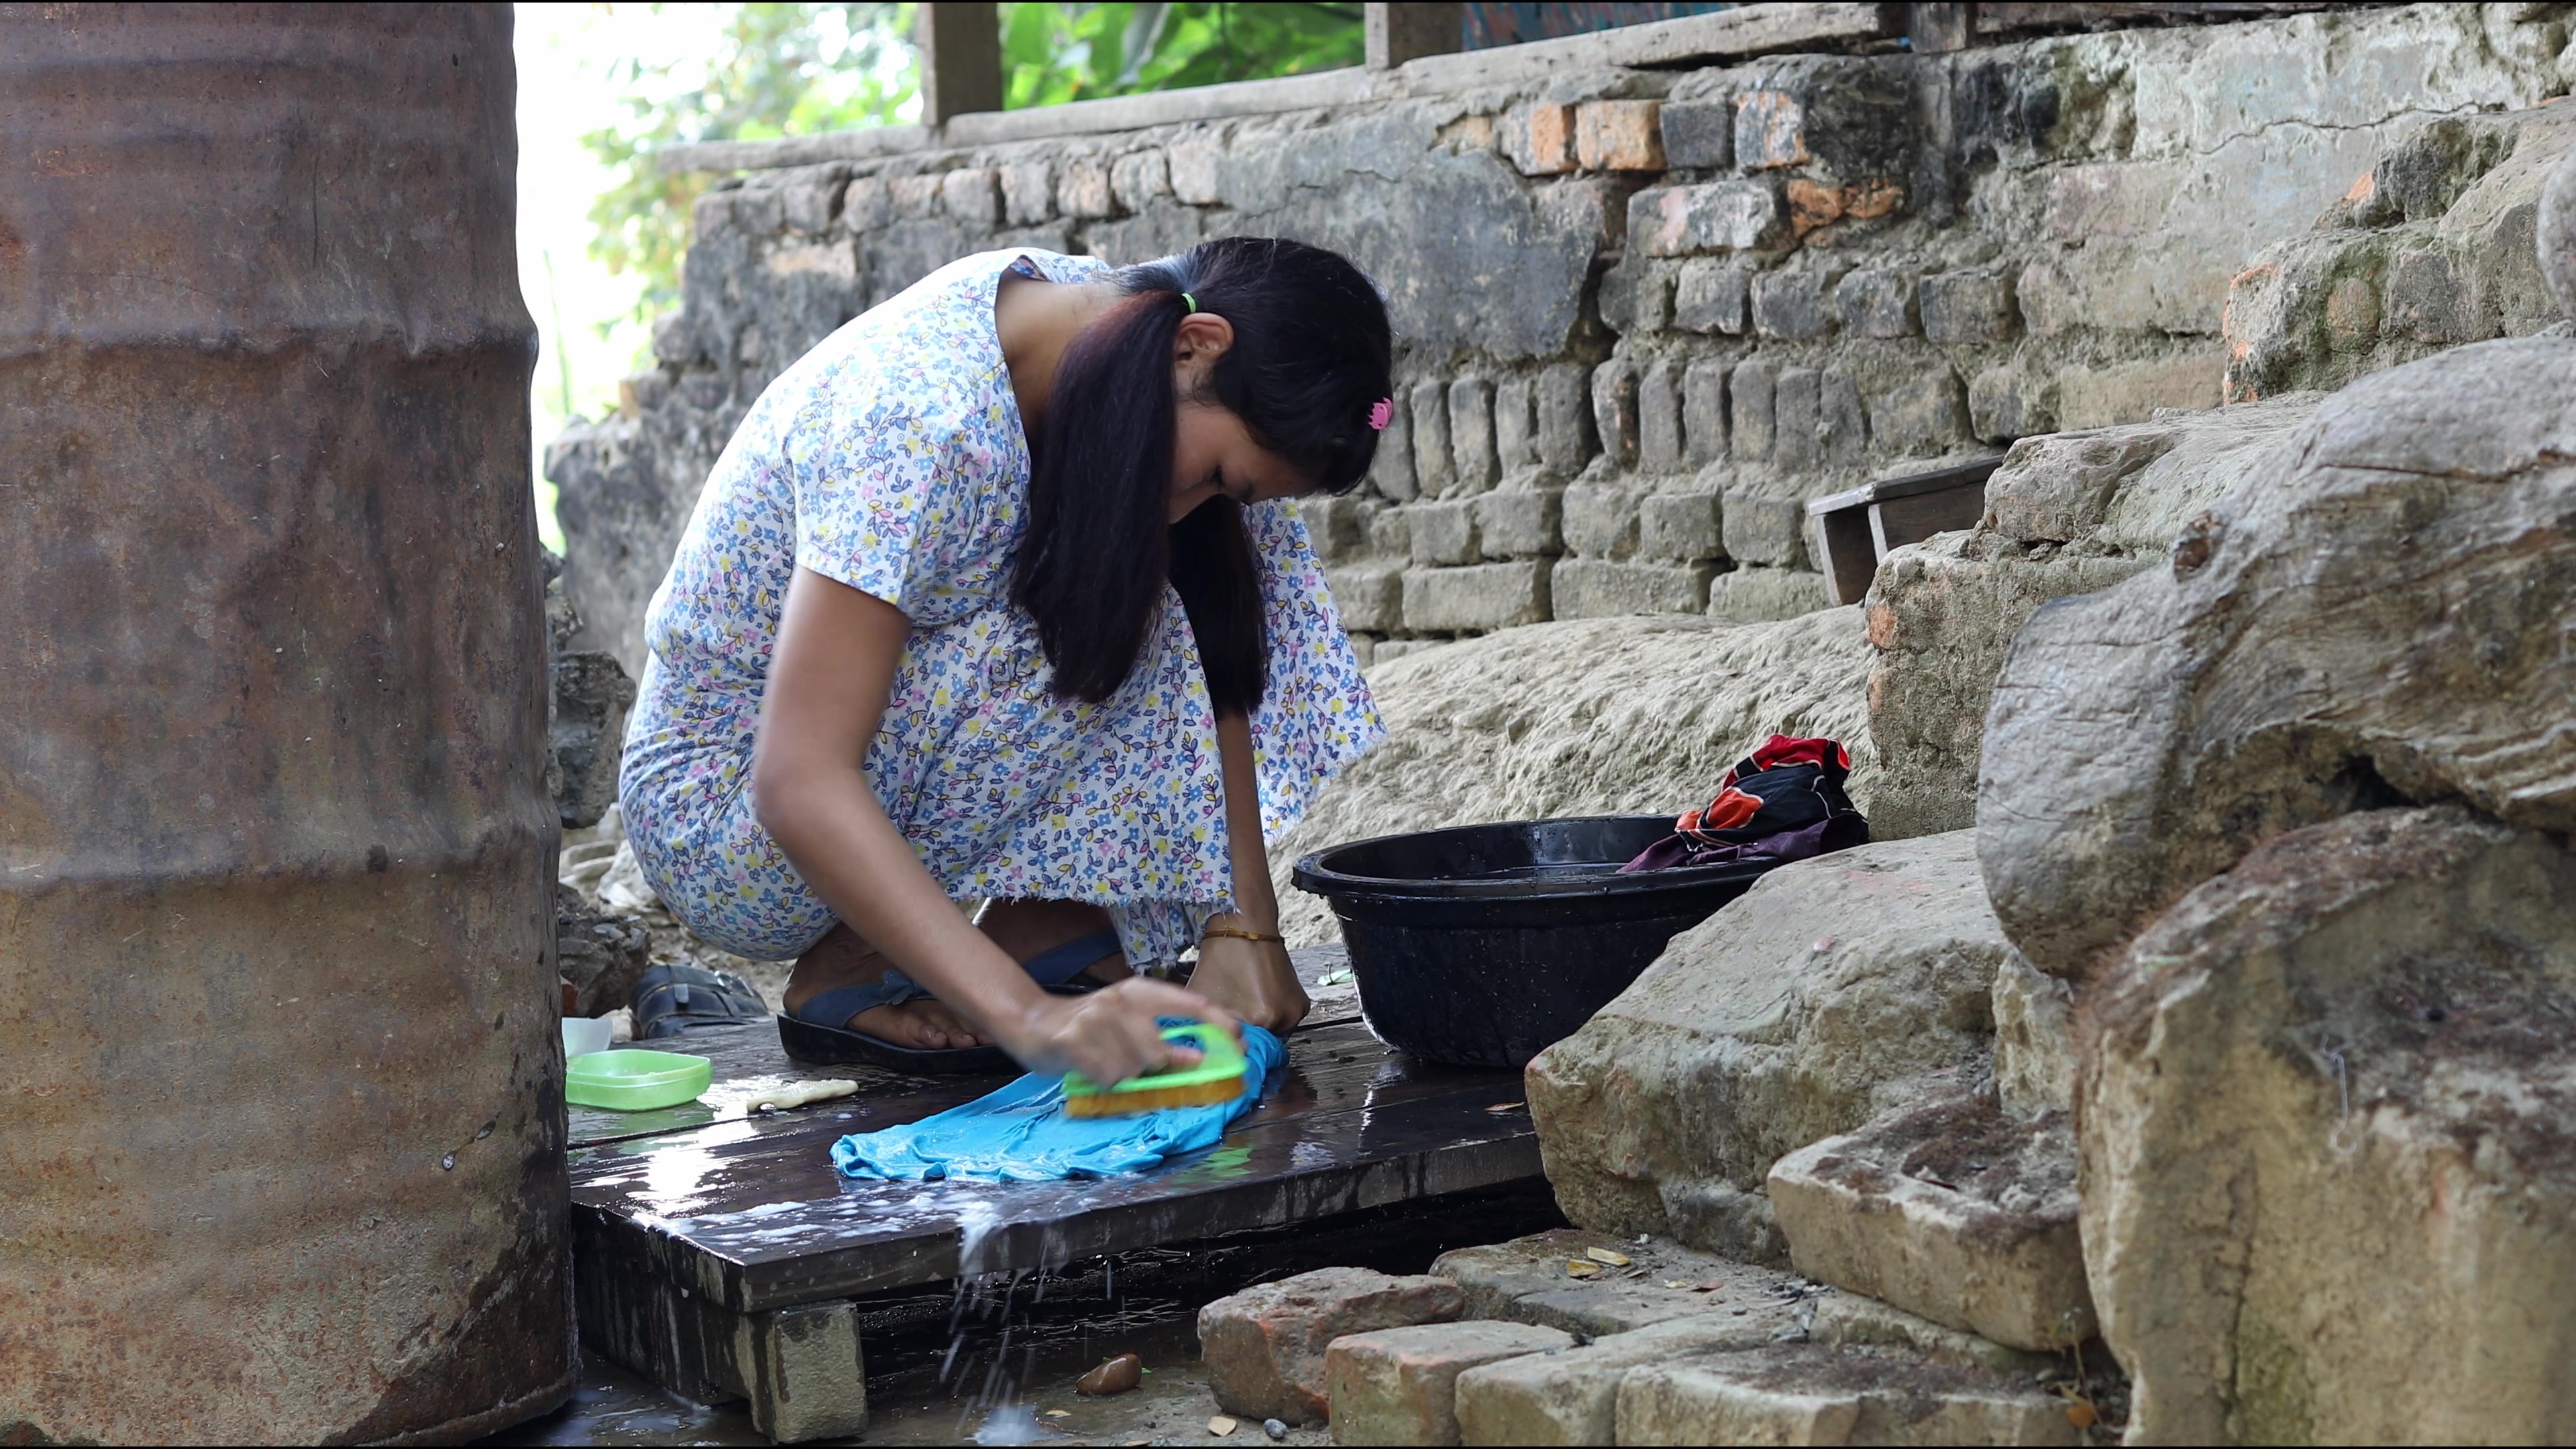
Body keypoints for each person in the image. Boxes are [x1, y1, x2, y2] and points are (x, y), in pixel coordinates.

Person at [618, 236, 1392, 1091]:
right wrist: (1032, 1020)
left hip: (850, 769)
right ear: (1196, 344)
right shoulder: (921, 422)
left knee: (1238, 534)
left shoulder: (1114, 331)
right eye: (1211, 473)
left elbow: (1216, 608)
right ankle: (851, 964)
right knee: (1101, 584)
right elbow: (798, 778)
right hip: (727, 822)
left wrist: (1246, 927)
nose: (1195, 504)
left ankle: (1051, 922)